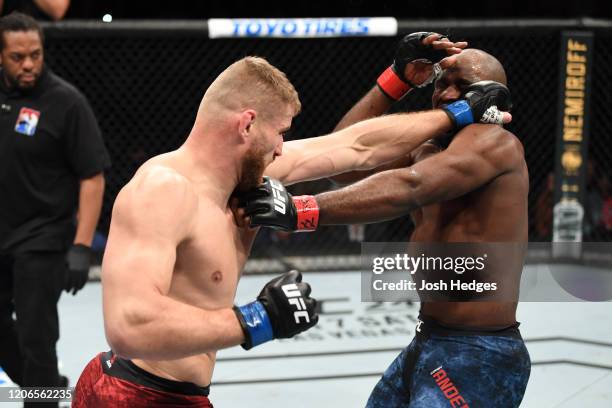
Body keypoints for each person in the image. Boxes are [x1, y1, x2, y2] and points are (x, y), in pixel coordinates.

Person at [73, 45, 511, 406]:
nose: (284, 148)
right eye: (280, 132)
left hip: (182, 394)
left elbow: (355, 145)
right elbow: (130, 326)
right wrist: (257, 320)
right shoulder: (163, 189)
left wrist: (443, 107)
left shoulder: (249, 176)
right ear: (247, 124)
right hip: (132, 392)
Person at [239, 34, 530, 407]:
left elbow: (413, 186)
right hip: (430, 340)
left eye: (464, 86)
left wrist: (300, 210)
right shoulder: (427, 149)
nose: (447, 94)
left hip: (480, 352)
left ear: (494, 97)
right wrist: (398, 79)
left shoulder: (496, 144)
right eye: (441, 84)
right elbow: (350, 155)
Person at [0, 11, 109, 405]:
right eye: (17, 57)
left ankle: (41, 399)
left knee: (36, 336)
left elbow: (92, 176)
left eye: (35, 54)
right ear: (1, 56)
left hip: (42, 238)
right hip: (2, 232)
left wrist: (81, 247)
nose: (28, 64)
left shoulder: (65, 102)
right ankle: (45, 386)